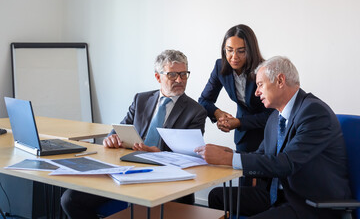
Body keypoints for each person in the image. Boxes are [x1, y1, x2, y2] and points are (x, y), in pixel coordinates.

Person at [195, 56, 351, 219]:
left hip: (311, 205)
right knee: (217, 197)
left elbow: (287, 163)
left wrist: (228, 159)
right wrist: (230, 154)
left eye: (260, 84)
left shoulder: (314, 112)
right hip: (277, 196)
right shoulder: (275, 117)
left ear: (280, 80)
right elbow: (263, 155)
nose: (256, 92)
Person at [61, 49, 207, 219]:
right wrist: (111, 139)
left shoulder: (195, 111)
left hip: (165, 177)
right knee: (70, 200)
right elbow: (119, 130)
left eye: (183, 74)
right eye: (172, 75)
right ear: (158, 77)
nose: (180, 80)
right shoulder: (141, 99)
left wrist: (160, 155)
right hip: (127, 169)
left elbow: (190, 156)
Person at [199, 24, 273, 153]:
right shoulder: (220, 67)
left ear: (250, 51)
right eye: (229, 50)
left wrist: (239, 122)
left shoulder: (264, 70)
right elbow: (204, 100)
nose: (234, 57)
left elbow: (272, 114)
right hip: (244, 137)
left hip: (268, 135)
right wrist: (219, 114)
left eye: (241, 51)